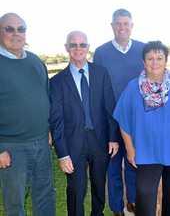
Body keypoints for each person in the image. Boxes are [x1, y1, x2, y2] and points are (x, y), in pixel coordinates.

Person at [113, 41, 170, 216]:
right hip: (146, 153)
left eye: (159, 58)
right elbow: (123, 121)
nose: (155, 63)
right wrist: (130, 149)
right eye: (150, 58)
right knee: (145, 200)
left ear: (166, 60)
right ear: (144, 62)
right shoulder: (133, 88)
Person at [49, 31, 119, 216]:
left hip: (100, 141)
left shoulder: (101, 73)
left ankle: (98, 213)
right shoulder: (56, 82)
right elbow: (56, 121)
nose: (78, 49)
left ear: (88, 48)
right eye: (73, 45)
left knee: (99, 185)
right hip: (73, 144)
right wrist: (62, 154)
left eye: (82, 45)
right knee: (76, 190)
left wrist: (113, 138)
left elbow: (109, 108)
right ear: (67, 48)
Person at [0, 13, 55, 215]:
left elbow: (45, 97)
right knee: (15, 202)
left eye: (21, 29)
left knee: (45, 195)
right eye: (9, 29)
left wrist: (48, 129)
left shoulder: (35, 62)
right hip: (11, 147)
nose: (16, 34)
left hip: (41, 142)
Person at [94, 8, 144, 216]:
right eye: (118, 24)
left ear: (132, 26)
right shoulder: (101, 52)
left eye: (126, 24)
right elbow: (97, 87)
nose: (122, 27)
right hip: (111, 120)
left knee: (135, 164)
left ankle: (133, 202)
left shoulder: (143, 49)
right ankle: (117, 208)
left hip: (137, 120)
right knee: (113, 167)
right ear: (112, 26)